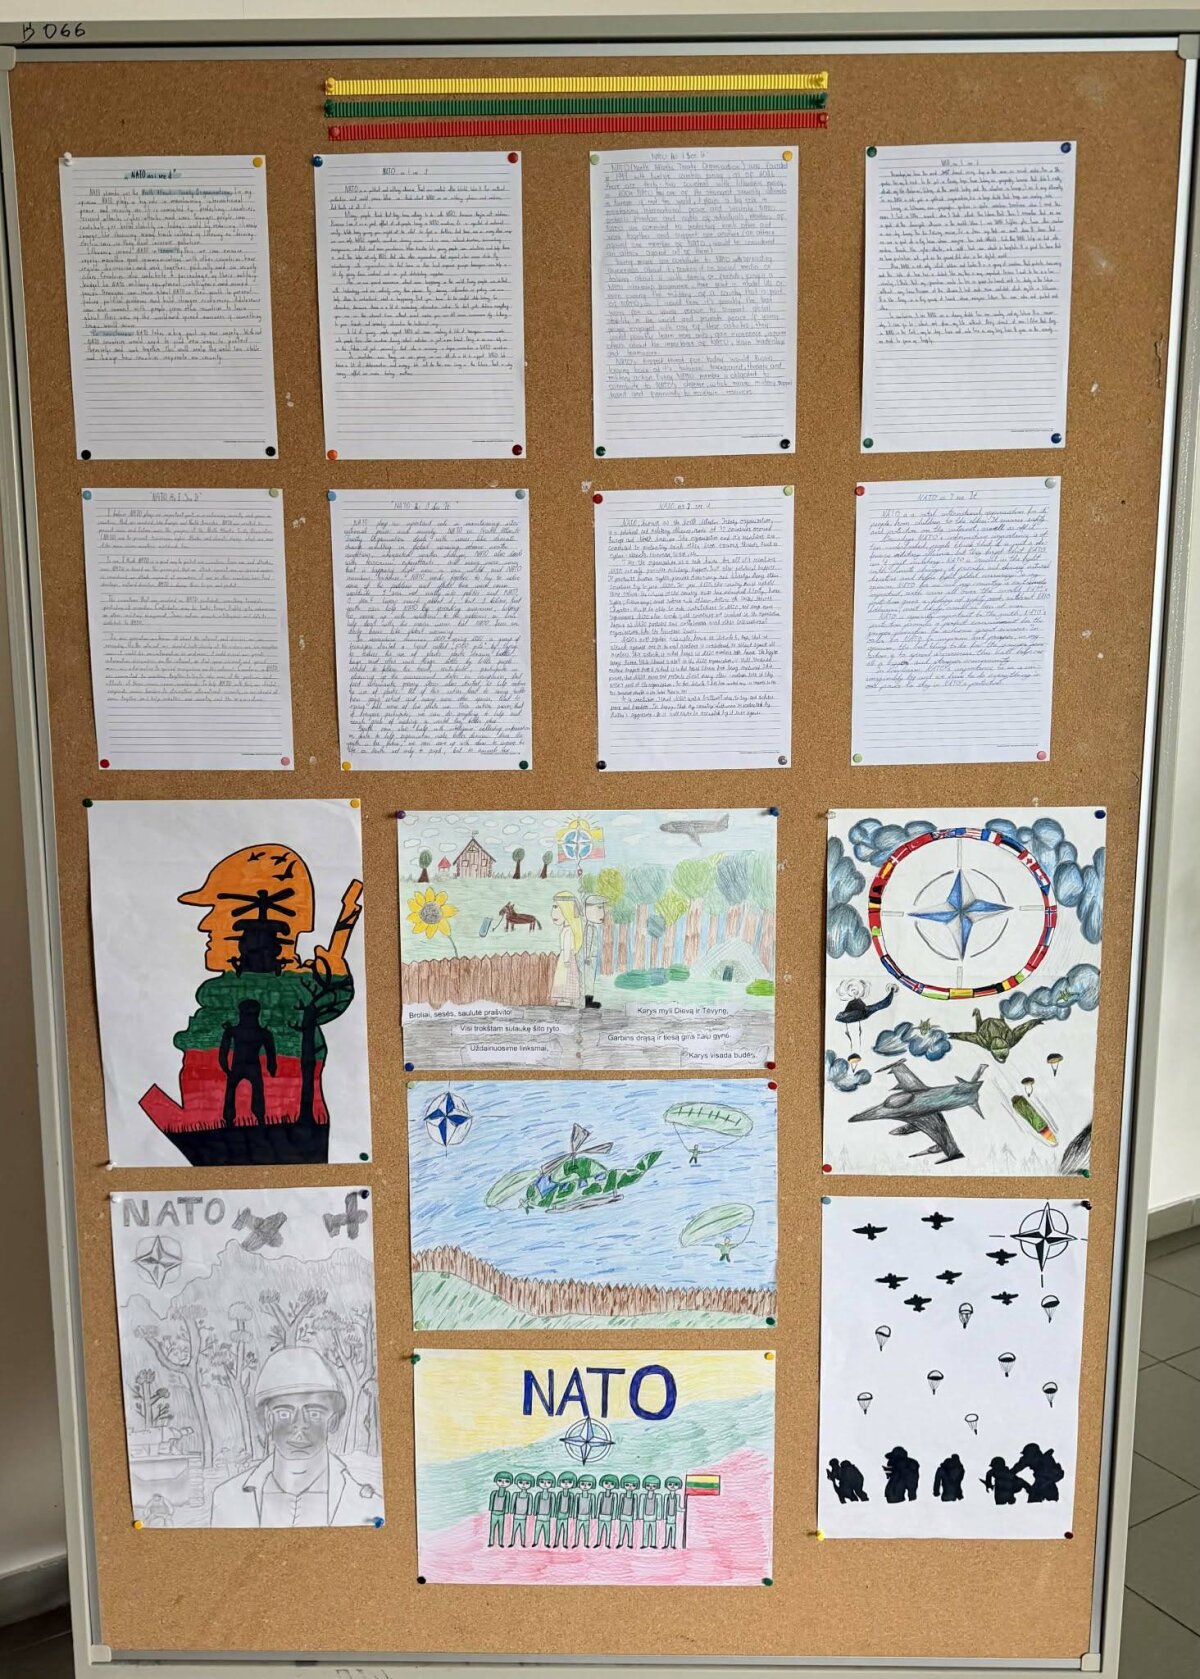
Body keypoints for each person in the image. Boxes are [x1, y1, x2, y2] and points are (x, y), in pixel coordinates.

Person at [138, 844, 362, 1166]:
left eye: (219, 912)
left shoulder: (295, 996)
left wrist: (336, 978)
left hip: (274, 1136)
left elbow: (330, 1001)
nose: (205, 926)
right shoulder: (219, 1000)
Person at [209, 1347, 381, 1528]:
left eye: (314, 1413)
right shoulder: (226, 1499)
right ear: (268, 1421)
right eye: (284, 1413)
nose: (299, 1425)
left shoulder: (367, 1505)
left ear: (333, 1421)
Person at [219, 998, 277, 1127]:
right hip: (244, 1066)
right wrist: (272, 1067)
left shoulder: (236, 1031)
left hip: (246, 1066)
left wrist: (225, 1068)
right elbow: (271, 1053)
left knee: (254, 1090)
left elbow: (271, 1053)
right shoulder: (262, 1033)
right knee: (241, 1090)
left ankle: (258, 1118)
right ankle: (234, 1119)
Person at [550, 892, 584, 1008]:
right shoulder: (566, 929)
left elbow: (566, 946)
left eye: (556, 907)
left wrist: (565, 960)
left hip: (566, 957)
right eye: (554, 907)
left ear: (566, 910)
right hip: (566, 957)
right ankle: (565, 998)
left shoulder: (568, 930)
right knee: (564, 978)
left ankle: (566, 999)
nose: (553, 912)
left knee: (566, 978)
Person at [581, 894, 606, 1008]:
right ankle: (587, 1001)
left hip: (592, 958)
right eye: (599, 908)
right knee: (588, 979)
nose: (602, 913)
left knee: (590, 979)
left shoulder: (592, 928)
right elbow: (588, 944)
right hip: (589, 959)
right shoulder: (589, 928)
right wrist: (587, 957)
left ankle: (588, 1000)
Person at [488, 1470, 513, 1546]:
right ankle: (491, 1542)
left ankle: (500, 1543)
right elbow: (491, 1502)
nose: (503, 1483)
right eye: (500, 1480)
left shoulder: (507, 1493)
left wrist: (507, 1511)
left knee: (501, 1528)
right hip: (494, 1513)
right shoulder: (494, 1493)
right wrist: (491, 1509)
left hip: (502, 1514)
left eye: (506, 1481)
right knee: (492, 1528)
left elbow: (508, 1503)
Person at [509, 1471, 533, 1546]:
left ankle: (523, 1543)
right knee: (514, 1530)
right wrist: (511, 1511)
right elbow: (512, 1503)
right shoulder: (515, 1494)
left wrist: (529, 1513)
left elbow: (530, 1505)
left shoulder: (529, 1495)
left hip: (524, 1516)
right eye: (521, 1482)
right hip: (516, 1515)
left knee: (523, 1530)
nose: (523, 1485)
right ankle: (512, 1543)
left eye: (527, 1483)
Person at [616, 1474, 640, 1548]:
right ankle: (620, 1542)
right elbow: (620, 1506)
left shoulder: (635, 1496)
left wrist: (635, 1516)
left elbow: (635, 1506)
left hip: (630, 1517)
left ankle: (630, 1543)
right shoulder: (622, 1495)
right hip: (623, 1516)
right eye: (627, 1485)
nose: (630, 1487)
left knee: (630, 1530)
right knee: (622, 1530)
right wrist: (618, 1515)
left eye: (633, 1485)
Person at [532, 1471, 555, 1546]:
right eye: (542, 1482)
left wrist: (552, 1514)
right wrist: (534, 1512)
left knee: (547, 1530)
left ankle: (547, 1543)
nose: (545, 1484)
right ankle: (535, 1542)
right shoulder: (538, 1494)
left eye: (548, 1482)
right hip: (539, 1516)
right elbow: (536, 1504)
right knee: (537, 1530)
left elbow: (553, 1505)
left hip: (547, 1516)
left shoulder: (552, 1494)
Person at [554, 1470, 576, 1546]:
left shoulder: (571, 1495)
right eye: (564, 1482)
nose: (566, 1484)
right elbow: (557, 1504)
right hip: (559, 1514)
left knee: (565, 1530)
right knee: (558, 1529)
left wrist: (571, 1514)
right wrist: (555, 1513)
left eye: (569, 1482)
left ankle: (565, 1544)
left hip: (566, 1515)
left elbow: (572, 1505)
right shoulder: (560, 1494)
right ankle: (556, 1543)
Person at [595, 1473, 619, 1547]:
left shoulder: (614, 1495)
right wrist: (596, 1515)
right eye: (606, 1483)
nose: (608, 1485)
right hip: (601, 1515)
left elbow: (615, 1506)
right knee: (599, 1530)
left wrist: (614, 1516)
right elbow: (598, 1505)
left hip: (609, 1516)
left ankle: (607, 1543)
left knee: (608, 1530)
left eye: (611, 1484)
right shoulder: (601, 1494)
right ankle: (598, 1542)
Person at [573, 1474, 596, 1546]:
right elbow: (575, 1506)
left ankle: (586, 1543)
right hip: (579, 1516)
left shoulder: (592, 1496)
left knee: (586, 1531)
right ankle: (576, 1543)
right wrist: (574, 1515)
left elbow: (593, 1506)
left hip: (587, 1517)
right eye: (583, 1484)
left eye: (588, 1484)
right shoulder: (578, 1495)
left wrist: (593, 1516)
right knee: (577, 1531)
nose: (585, 1486)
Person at [639, 1474, 661, 1547]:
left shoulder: (658, 1496)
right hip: (646, 1516)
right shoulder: (643, 1496)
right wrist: (640, 1516)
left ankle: (653, 1544)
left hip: (653, 1517)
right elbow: (641, 1506)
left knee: (653, 1531)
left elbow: (659, 1506)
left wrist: (659, 1516)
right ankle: (645, 1544)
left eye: (653, 1486)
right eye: (648, 1485)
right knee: (645, 1530)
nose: (651, 1487)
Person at [662, 1476, 682, 1547]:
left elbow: (678, 1508)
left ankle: (673, 1545)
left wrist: (683, 1510)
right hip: (668, 1517)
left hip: (674, 1517)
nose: (673, 1486)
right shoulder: (666, 1496)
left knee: (673, 1531)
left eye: (675, 1484)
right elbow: (665, 1506)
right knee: (667, 1530)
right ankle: (666, 1544)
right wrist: (664, 1516)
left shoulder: (678, 1496)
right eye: (670, 1484)